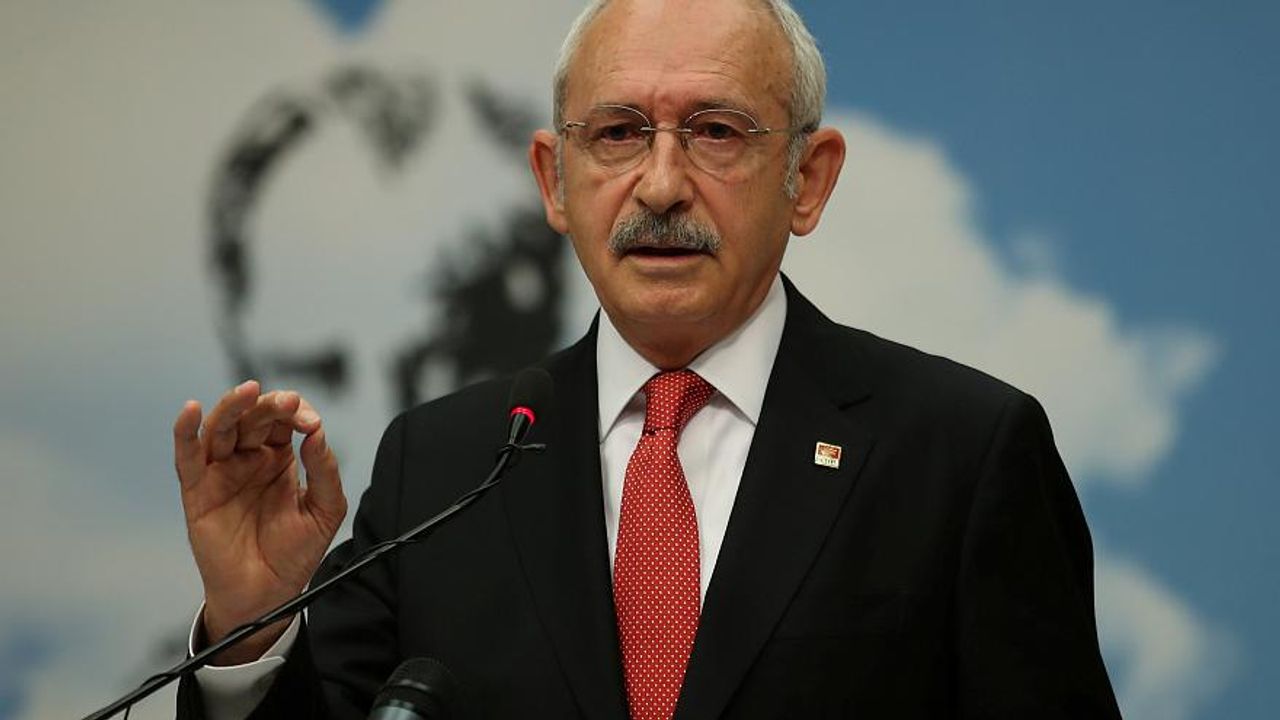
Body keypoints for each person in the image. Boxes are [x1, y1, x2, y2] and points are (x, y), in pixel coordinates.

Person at [173, 0, 1122, 718]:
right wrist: (252, 631)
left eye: (716, 132)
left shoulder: (961, 453)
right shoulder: (444, 465)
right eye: (619, 133)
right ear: (555, 179)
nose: (661, 185)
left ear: (808, 179)